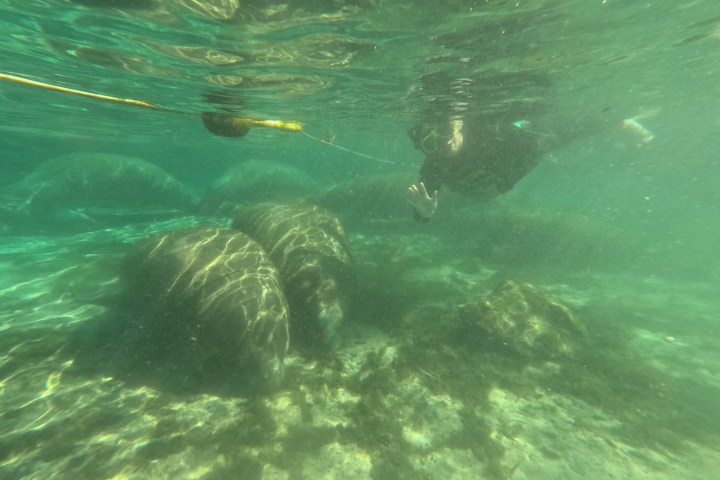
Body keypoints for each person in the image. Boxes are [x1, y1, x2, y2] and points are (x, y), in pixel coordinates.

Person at [406, 115, 547, 221]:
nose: (444, 142)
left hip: (497, 171)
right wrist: (426, 214)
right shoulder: (435, 164)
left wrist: (504, 183)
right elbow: (421, 208)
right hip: (475, 190)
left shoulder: (482, 127)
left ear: (457, 125)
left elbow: (534, 148)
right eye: (430, 142)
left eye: (444, 130)